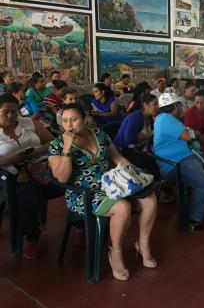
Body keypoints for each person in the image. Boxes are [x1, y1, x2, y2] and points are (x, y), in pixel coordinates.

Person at [49, 103, 158, 280]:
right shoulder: (57, 145)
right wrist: (67, 149)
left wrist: (138, 175)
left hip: (113, 184)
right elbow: (62, 178)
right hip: (82, 194)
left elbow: (117, 158)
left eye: (74, 119)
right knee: (122, 208)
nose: (69, 125)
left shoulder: (99, 135)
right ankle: (115, 252)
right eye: (65, 121)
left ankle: (143, 243)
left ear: (84, 120)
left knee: (149, 198)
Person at [154, 92, 204, 232]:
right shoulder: (166, 119)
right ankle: (193, 219)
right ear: (174, 106)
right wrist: (196, 133)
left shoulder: (169, 119)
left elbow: (184, 132)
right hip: (175, 162)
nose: (182, 108)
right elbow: (188, 135)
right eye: (180, 105)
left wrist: (192, 132)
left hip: (190, 155)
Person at [0, 94, 58, 259]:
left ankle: (80, 225)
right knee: (28, 193)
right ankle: (32, 237)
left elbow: (52, 141)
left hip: (42, 167)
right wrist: (11, 159)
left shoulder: (28, 123)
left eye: (14, 111)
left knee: (72, 181)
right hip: (12, 175)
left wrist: (38, 150)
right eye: (6, 112)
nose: (12, 115)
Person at [114, 94, 160, 180]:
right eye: (155, 104)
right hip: (124, 151)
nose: (158, 106)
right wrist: (150, 135)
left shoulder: (149, 117)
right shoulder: (136, 117)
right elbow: (129, 140)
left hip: (139, 148)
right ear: (145, 105)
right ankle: (155, 187)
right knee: (151, 161)